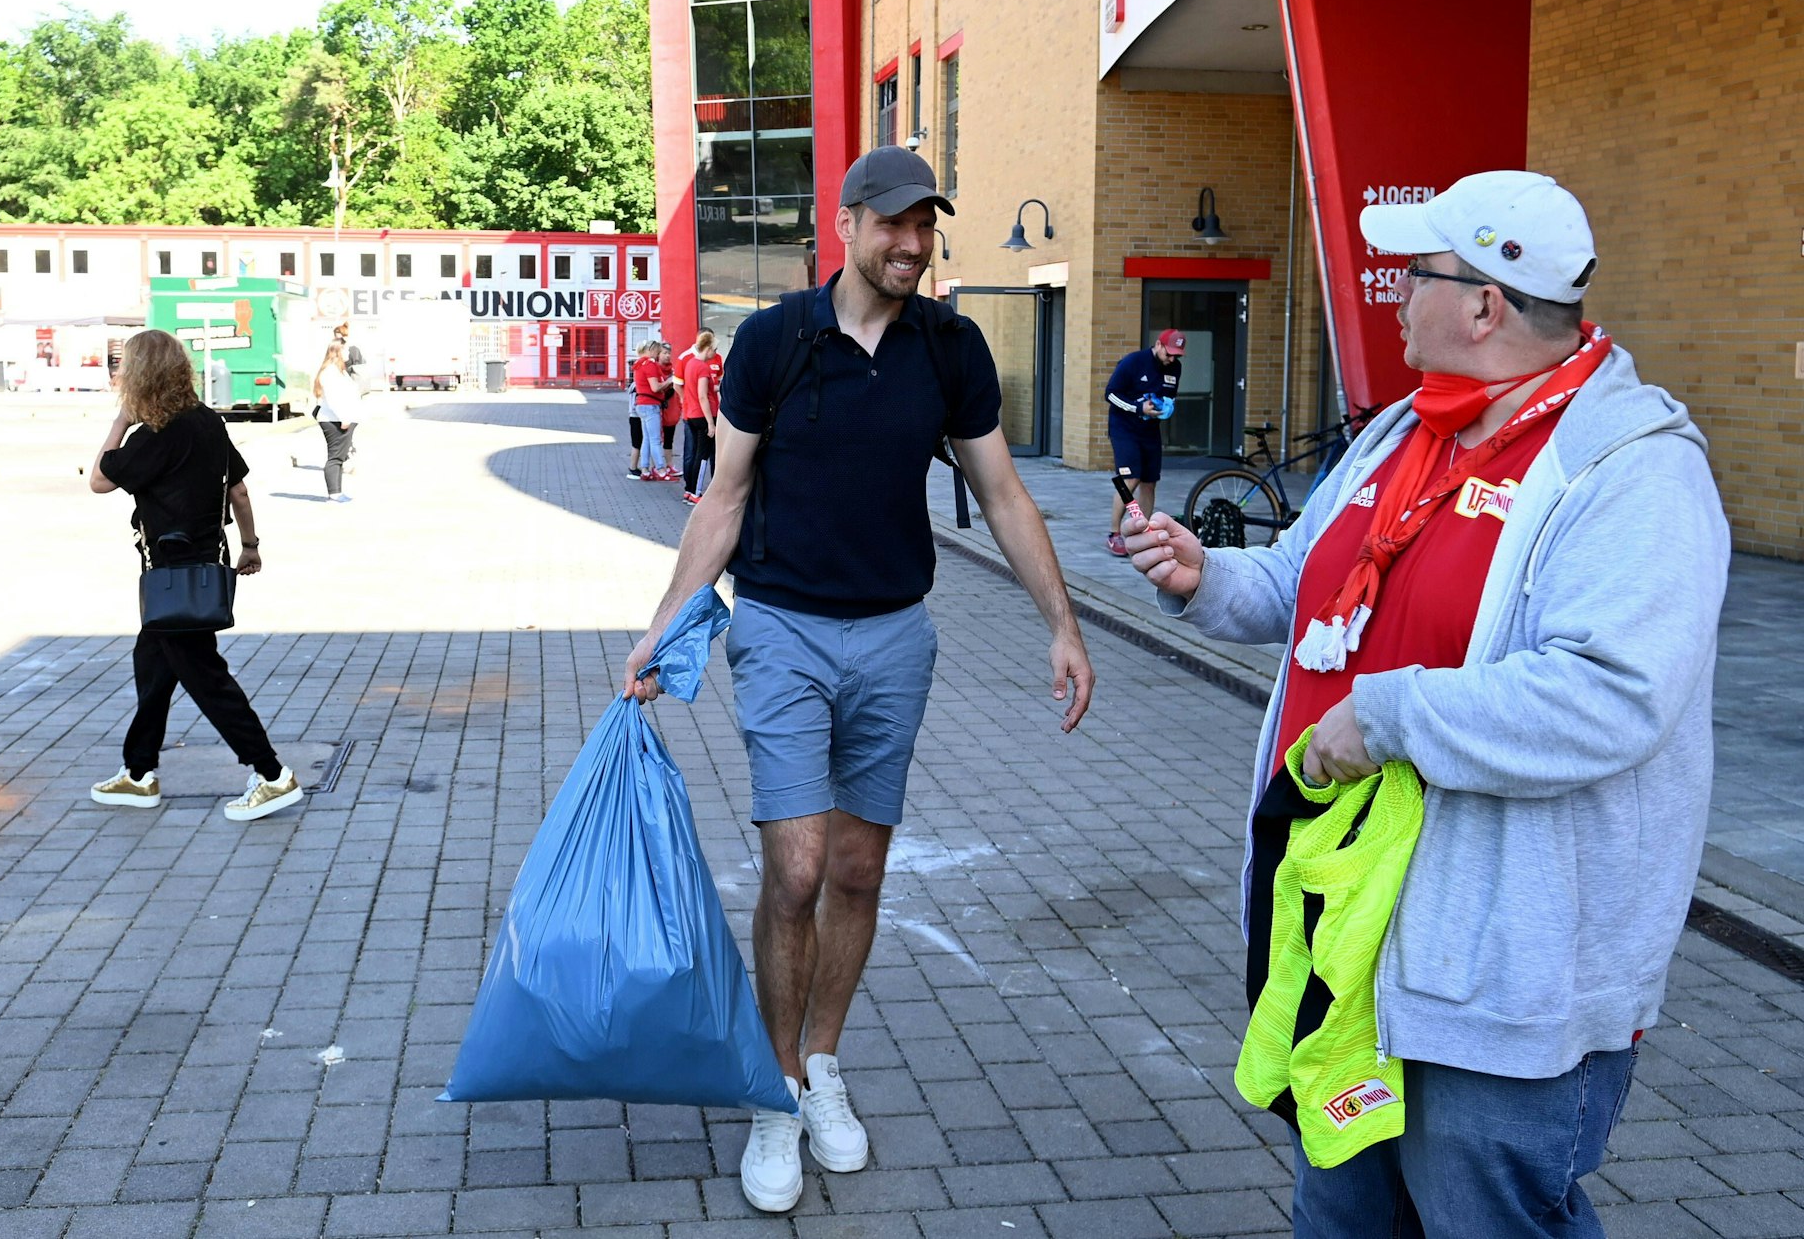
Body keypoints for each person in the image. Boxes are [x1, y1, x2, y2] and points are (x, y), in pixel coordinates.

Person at [1124, 170, 1729, 1238]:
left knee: (1479, 1215)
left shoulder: (1630, 470)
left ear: (1484, 303)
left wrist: (1386, 717)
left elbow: (1610, 694)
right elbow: (1304, 584)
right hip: (1348, 935)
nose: (1392, 294)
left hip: (1492, 976)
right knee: (1342, 1212)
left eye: (1415, 274)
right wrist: (1203, 577)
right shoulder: (1404, 431)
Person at [622, 146, 1095, 1215]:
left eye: (924, 225)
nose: (911, 244)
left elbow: (1008, 497)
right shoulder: (772, 342)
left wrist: (1061, 625)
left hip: (895, 639)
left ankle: (820, 1064)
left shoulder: (950, 347)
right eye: (892, 224)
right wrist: (663, 627)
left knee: (856, 876)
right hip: (782, 630)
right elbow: (722, 498)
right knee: (793, 871)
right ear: (844, 224)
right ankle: (772, 1091)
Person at [88, 329, 304, 823]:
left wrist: (121, 421)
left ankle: (272, 775)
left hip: (172, 576)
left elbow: (99, 480)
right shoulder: (208, 422)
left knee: (207, 679)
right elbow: (240, 491)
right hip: (205, 567)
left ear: (141, 377)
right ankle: (138, 774)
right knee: (153, 667)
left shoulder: (154, 436)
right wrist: (249, 546)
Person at [1103, 329, 1183, 556]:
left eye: (1177, 356)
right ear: (1158, 345)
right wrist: (1138, 408)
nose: (1172, 359)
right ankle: (1114, 533)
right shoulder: (1134, 362)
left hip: (1150, 429)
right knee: (1130, 478)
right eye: (1169, 353)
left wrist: (1166, 408)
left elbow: (1170, 395)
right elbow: (1110, 394)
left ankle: (1142, 533)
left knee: (1149, 481)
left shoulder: (1174, 368)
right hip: (1124, 428)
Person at [311, 340, 358, 503]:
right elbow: (333, 398)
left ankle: (337, 492)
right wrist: (344, 417)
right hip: (334, 420)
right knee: (335, 456)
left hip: (341, 418)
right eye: (345, 349)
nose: (348, 352)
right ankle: (334, 493)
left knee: (340, 456)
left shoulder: (339, 370)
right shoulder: (330, 372)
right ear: (337, 351)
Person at [680, 330, 720, 505]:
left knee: (696, 453)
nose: (715, 353)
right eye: (714, 349)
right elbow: (703, 395)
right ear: (708, 348)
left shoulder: (691, 364)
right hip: (704, 415)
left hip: (692, 414)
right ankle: (696, 492)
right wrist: (711, 423)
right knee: (703, 456)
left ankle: (689, 490)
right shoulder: (703, 367)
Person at [631, 340, 677, 480]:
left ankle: (645, 469)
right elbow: (655, 387)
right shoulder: (650, 364)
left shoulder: (638, 364)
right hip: (651, 404)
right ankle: (661, 470)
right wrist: (669, 381)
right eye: (657, 351)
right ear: (651, 350)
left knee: (647, 438)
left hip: (641, 404)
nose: (658, 355)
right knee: (656, 439)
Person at [627, 340, 655, 478]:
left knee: (640, 441)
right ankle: (633, 467)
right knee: (638, 442)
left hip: (635, 414)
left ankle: (639, 467)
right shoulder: (636, 386)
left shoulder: (634, 383)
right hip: (635, 415)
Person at [658, 342, 684, 477]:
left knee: (669, 439)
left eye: (669, 353)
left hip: (671, 411)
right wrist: (668, 382)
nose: (667, 356)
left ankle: (669, 465)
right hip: (657, 410)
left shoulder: (673, 370)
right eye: (664, 353)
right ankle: (656, 466)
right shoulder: (655, 369)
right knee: (655, 439)